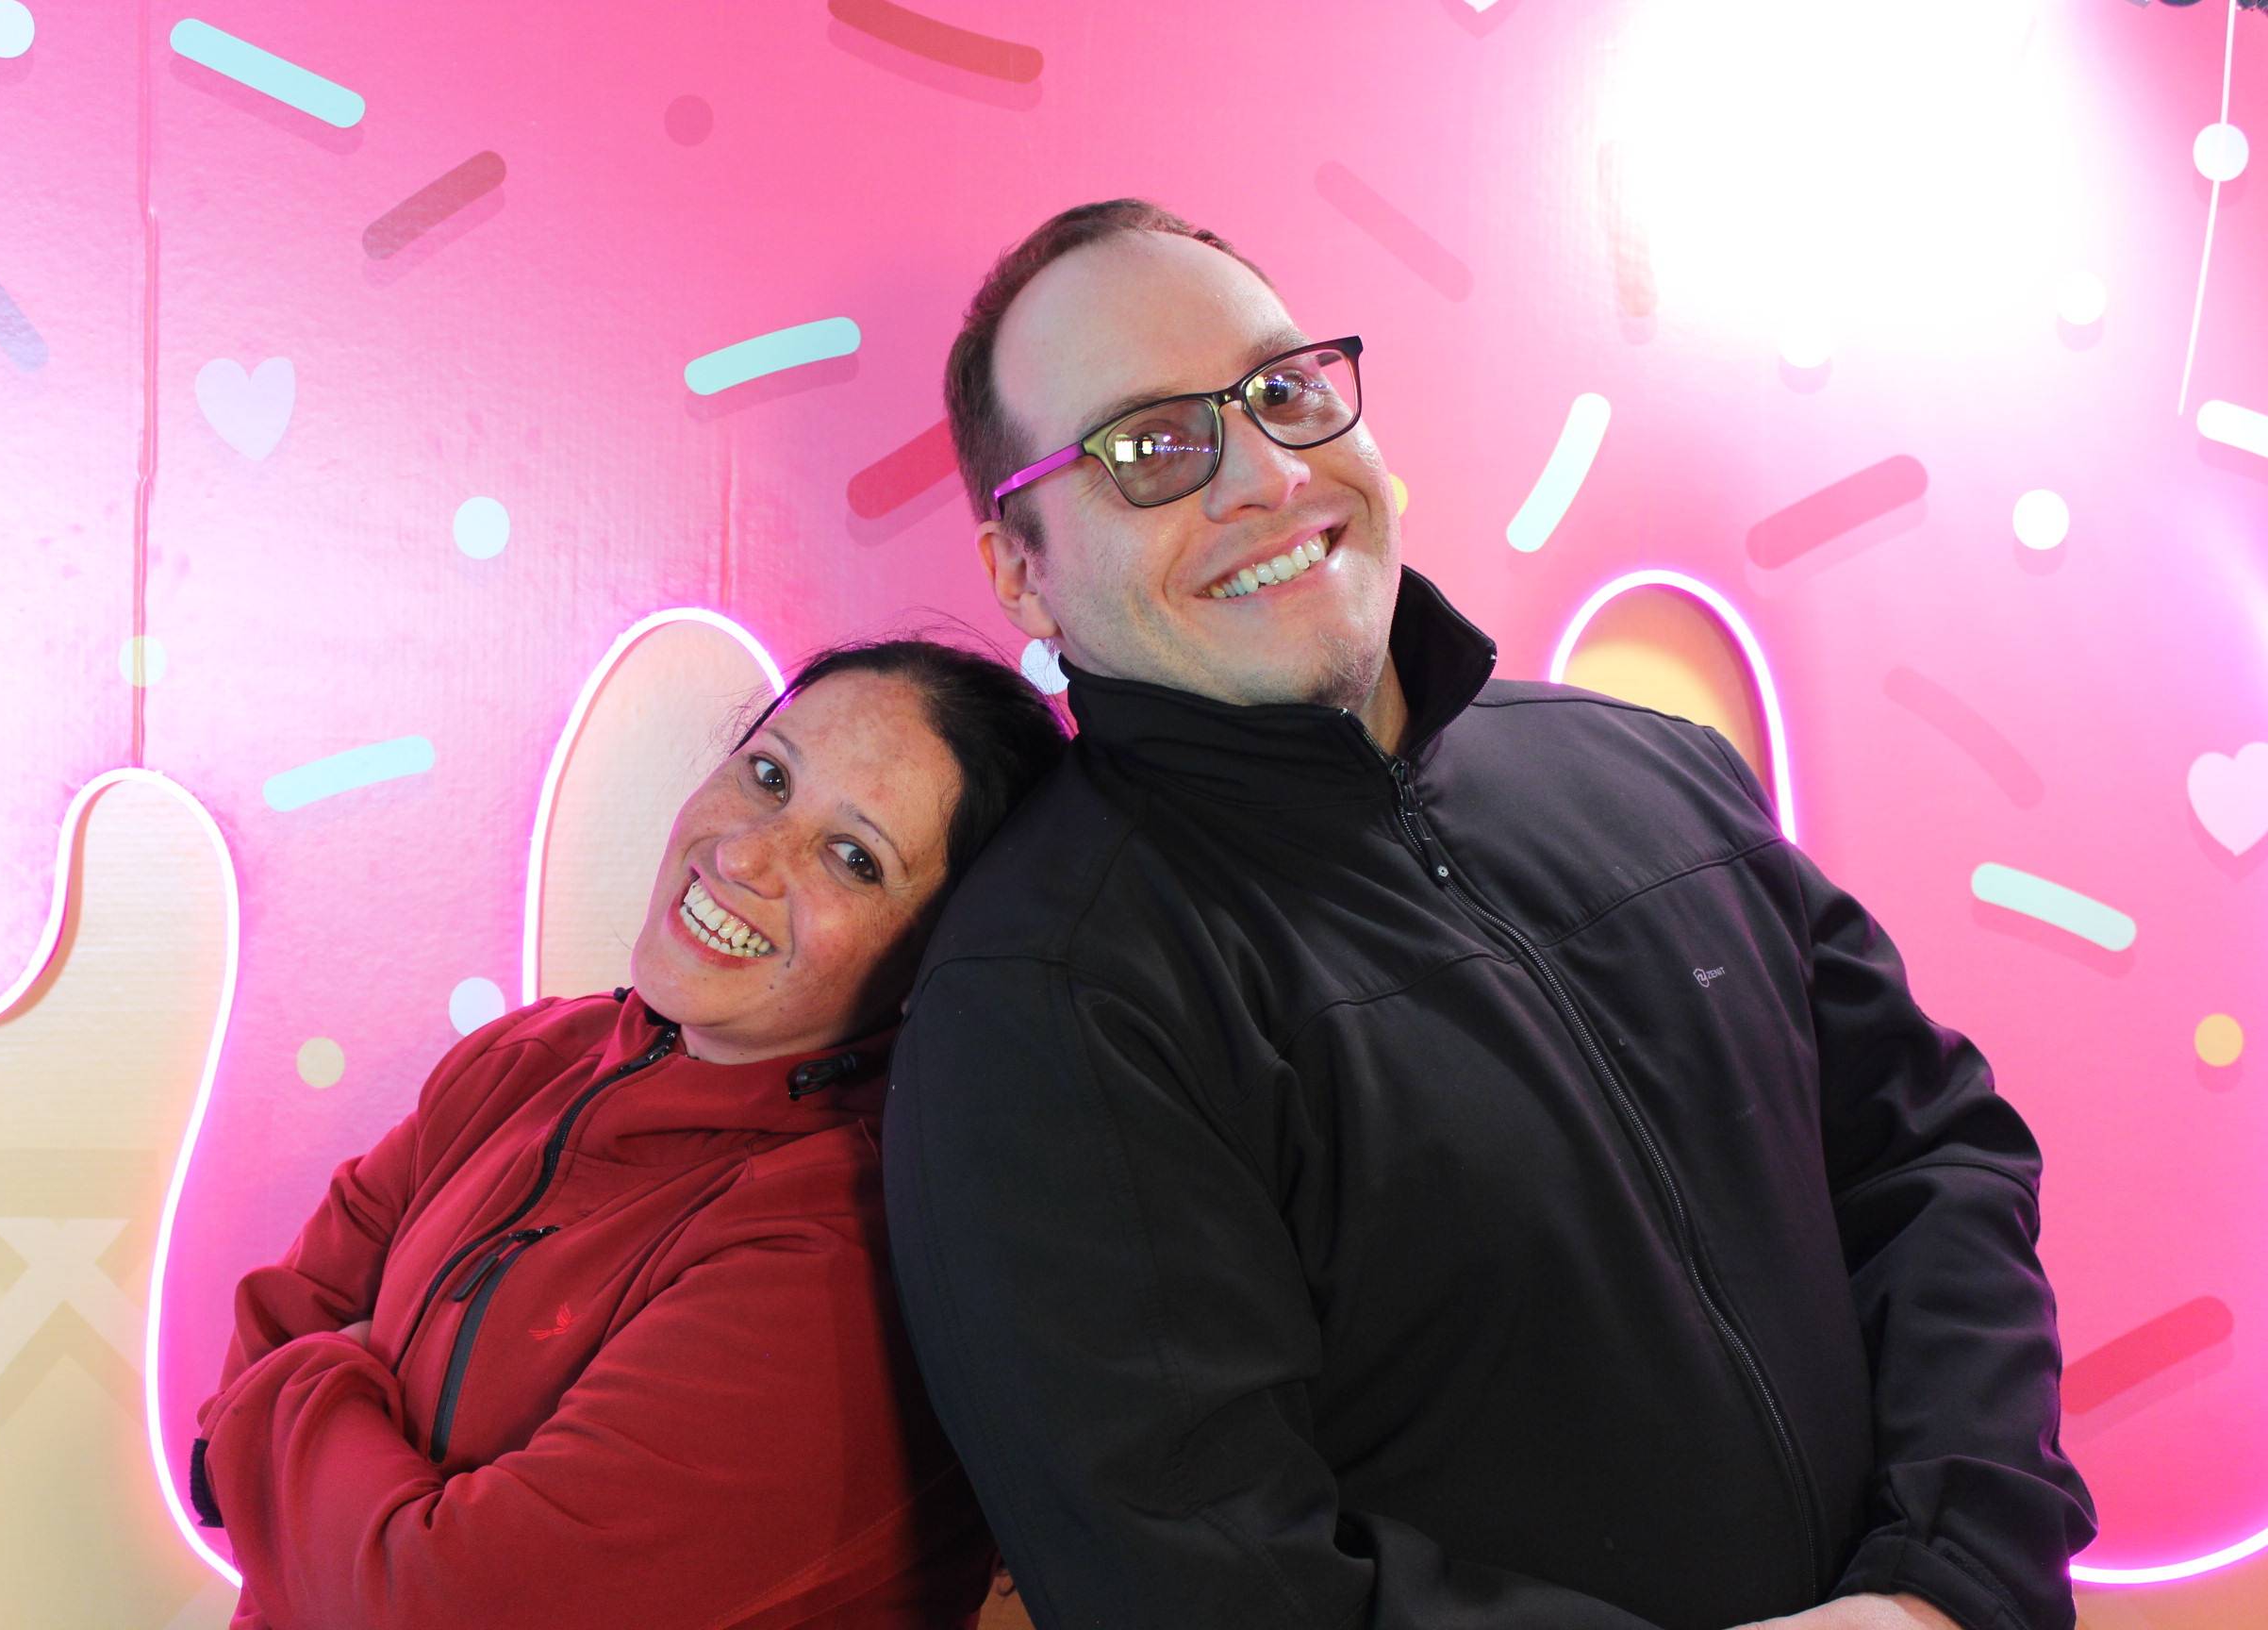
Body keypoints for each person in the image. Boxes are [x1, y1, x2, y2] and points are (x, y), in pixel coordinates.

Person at [881, 200, 2096, 1630]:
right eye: (1149, 449)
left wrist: (1945, 1585)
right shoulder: (1044, 997)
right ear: (1020, 570)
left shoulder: (1651, 766)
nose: (1266, 475)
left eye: (1284, 391)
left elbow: (1931, 1161)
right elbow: (1210, 1578)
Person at [189, 639, 1066, 1629]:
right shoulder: (528, 1058)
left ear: (938, 956)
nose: (744, 856)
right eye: (769, 776)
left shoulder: (843, 1250)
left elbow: (448, 1606)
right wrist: (304, 1453)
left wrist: (308, 1389)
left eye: (853, 858)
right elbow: (273, 1333)